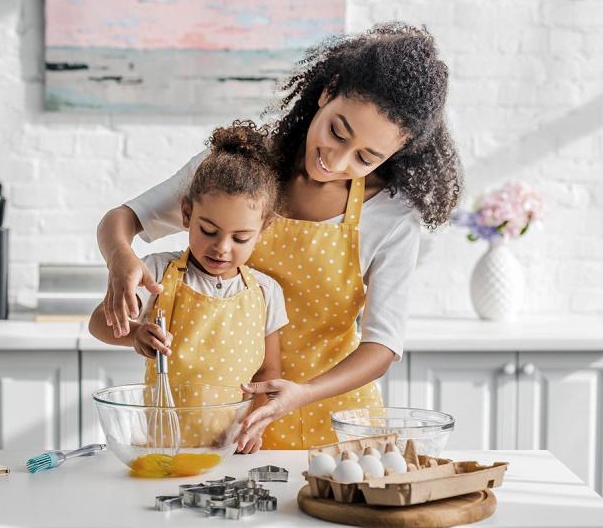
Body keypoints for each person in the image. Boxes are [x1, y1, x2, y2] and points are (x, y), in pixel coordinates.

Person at [95, 22, 462, 450]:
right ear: (328, 92)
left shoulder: (392, 215)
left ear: (396, 153)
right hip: (230, 424)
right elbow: (123, 219)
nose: (336, 159)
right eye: (337, 131)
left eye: (365, 156)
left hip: (338, 423)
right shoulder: (237, 170)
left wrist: (302, 393)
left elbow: (382, 345)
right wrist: (120, 257)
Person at [88, 121, 289, 453]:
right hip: (164, 448)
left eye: (240, 238)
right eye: (208, 230)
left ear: (263, 229)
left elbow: (269, 371)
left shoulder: (267, 292)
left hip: (231, 452)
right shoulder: (158, 274)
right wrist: (135, 333)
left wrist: (256, 424)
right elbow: (99, 323)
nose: (222, 247)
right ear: (186, 214)